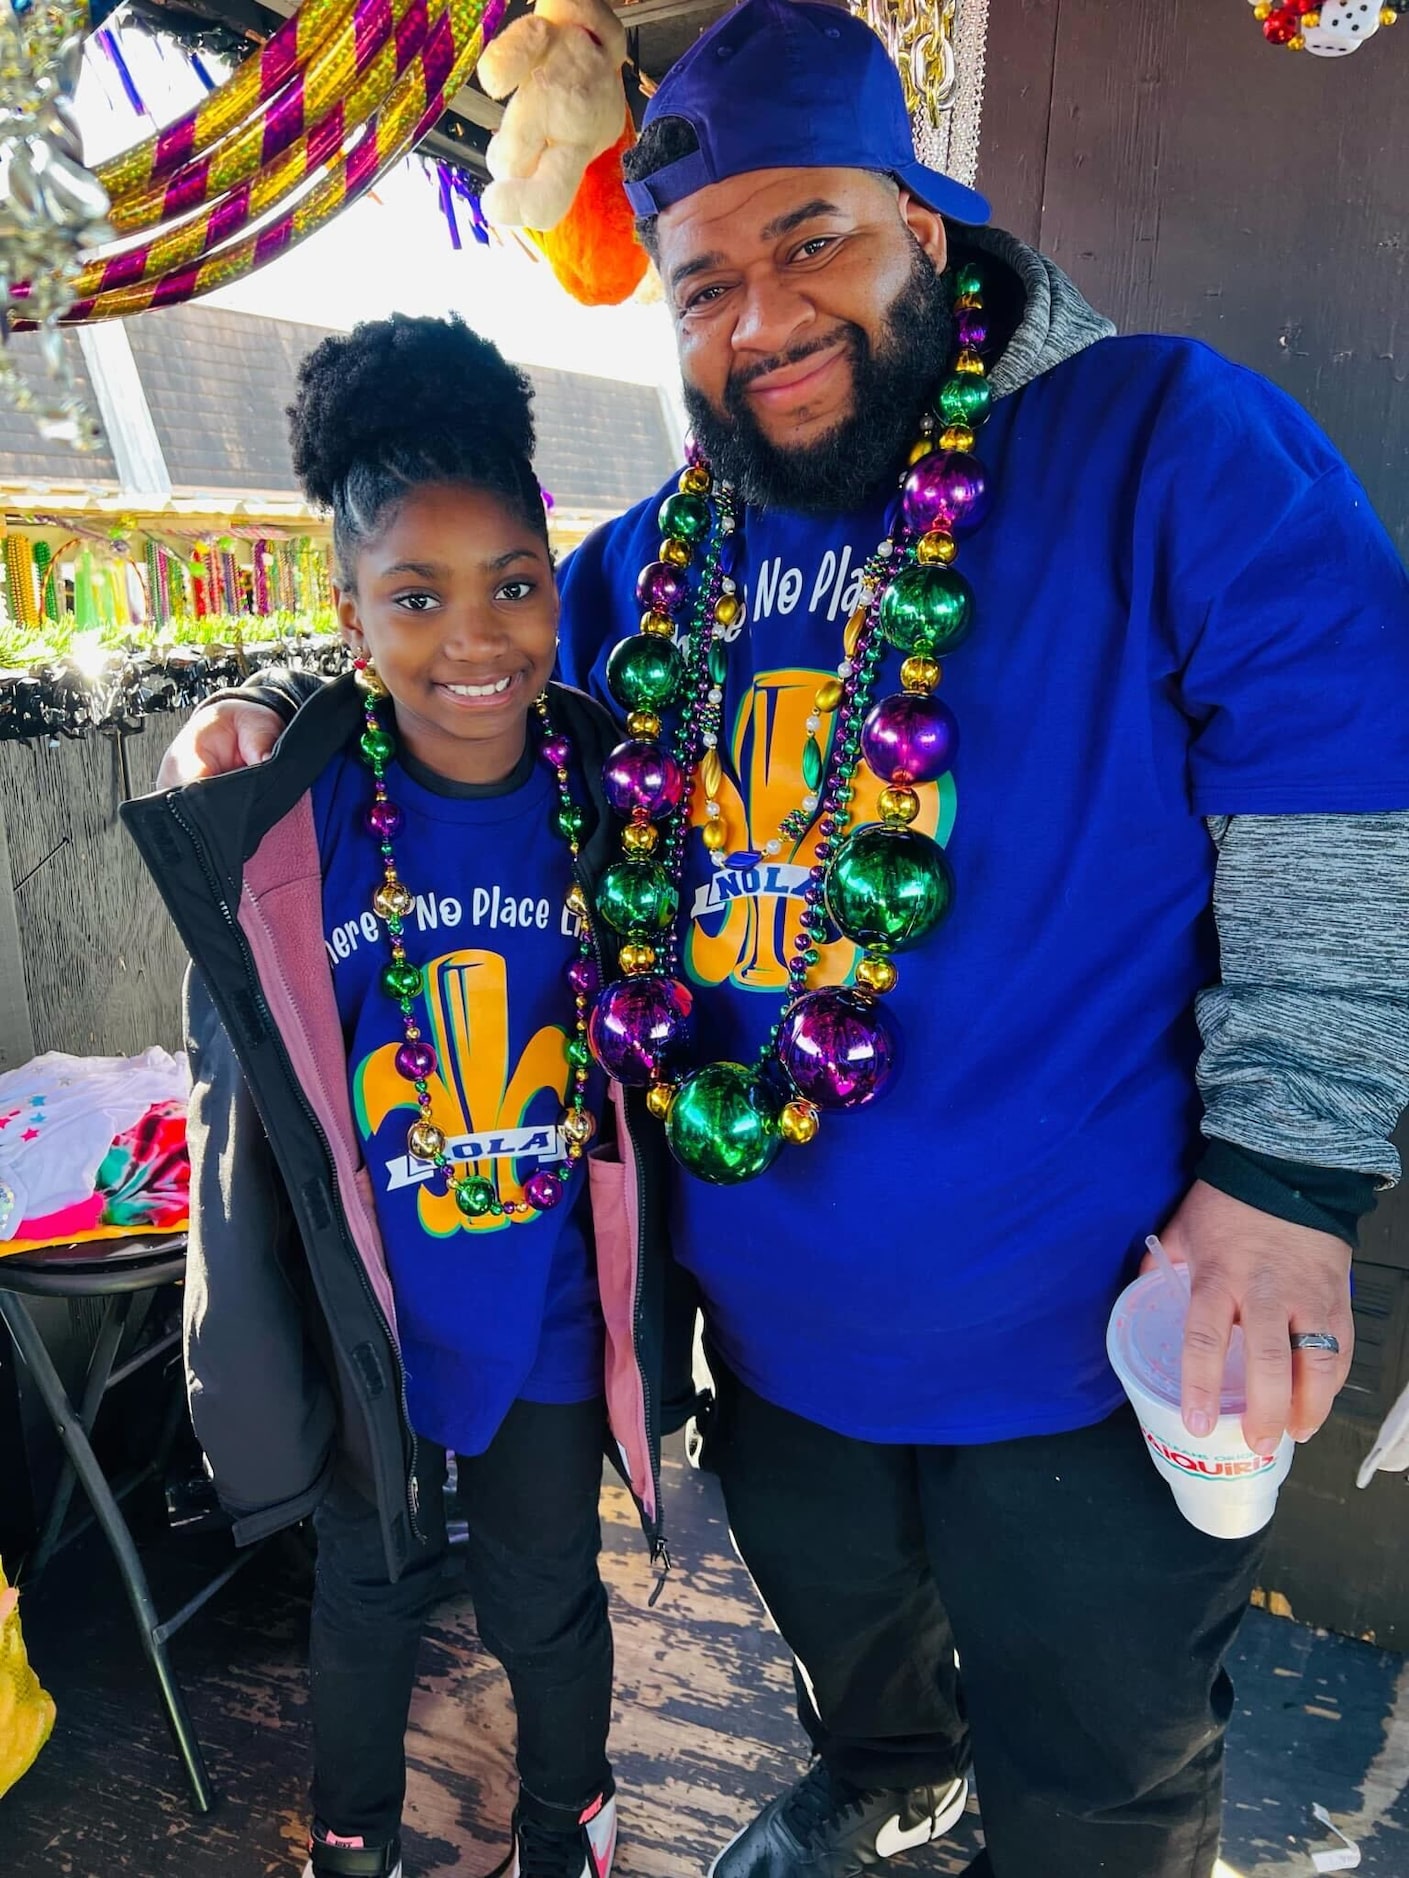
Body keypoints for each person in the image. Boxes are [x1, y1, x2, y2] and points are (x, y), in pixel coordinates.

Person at [156, 4, 1409, 1875]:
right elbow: (464, 719)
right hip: (774, 1347)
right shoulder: (639, 569)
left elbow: (1345, 790)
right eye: (700, 282)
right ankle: (898, 1764)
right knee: (858, 1662)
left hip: (1088, 1345)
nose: (759, 317)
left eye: (809, 238)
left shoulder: (1165, 439)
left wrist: (1286, 1177)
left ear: (921, 211)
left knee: (1103, 1788)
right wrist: (276, 760)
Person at [126, 314, 685, 1878]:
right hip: (373, 1301)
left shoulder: (607, 788)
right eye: (414, 597)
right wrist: (216, 729)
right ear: (352, 615)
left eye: (513, 583)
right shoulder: (302, 802)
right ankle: (357, 1831)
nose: (475, 639)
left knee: (541, 1591)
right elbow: (215, 818)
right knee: (366, 1588)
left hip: (552, 1302)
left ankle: (567, 1813)